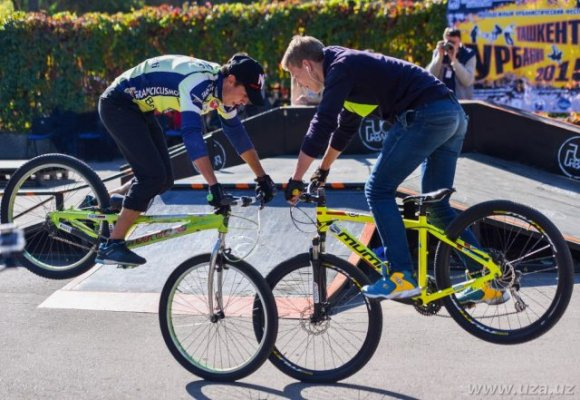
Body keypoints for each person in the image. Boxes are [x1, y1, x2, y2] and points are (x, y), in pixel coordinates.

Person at [282, 35, 508, 305]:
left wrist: (296, 179)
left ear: (307, 65)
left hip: (426, 115)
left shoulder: (339, 68)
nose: (299, 84)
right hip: (452, 116)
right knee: (436, 207)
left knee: (377, 190)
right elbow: (344, 129)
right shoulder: (347, 69)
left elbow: (322, 123)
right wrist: (323, 170)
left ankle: (401, 274)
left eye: (296, 76)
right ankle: (487, 280)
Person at [96, 54, 276, 266]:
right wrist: (213, 185)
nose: (245, 101)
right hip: (118, 104)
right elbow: (192, 135)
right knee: (152, 178)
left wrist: (262, 177)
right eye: (245, 94)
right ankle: (112, 244)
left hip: (140, 110)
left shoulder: (221, 91)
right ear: (231, 80)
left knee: (164, 181)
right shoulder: (198, 83)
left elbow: (237, 134)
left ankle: (102, 200)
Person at [426, 28, 476, 100]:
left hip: (461, 102)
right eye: (448, 42)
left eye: (453, 42)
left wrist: (454, 61)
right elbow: (429, 78)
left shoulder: (468, 54)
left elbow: (468, 81)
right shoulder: (438, 52)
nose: (450, 45)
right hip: (441, 100)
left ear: (459, 42)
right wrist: (439, 57)